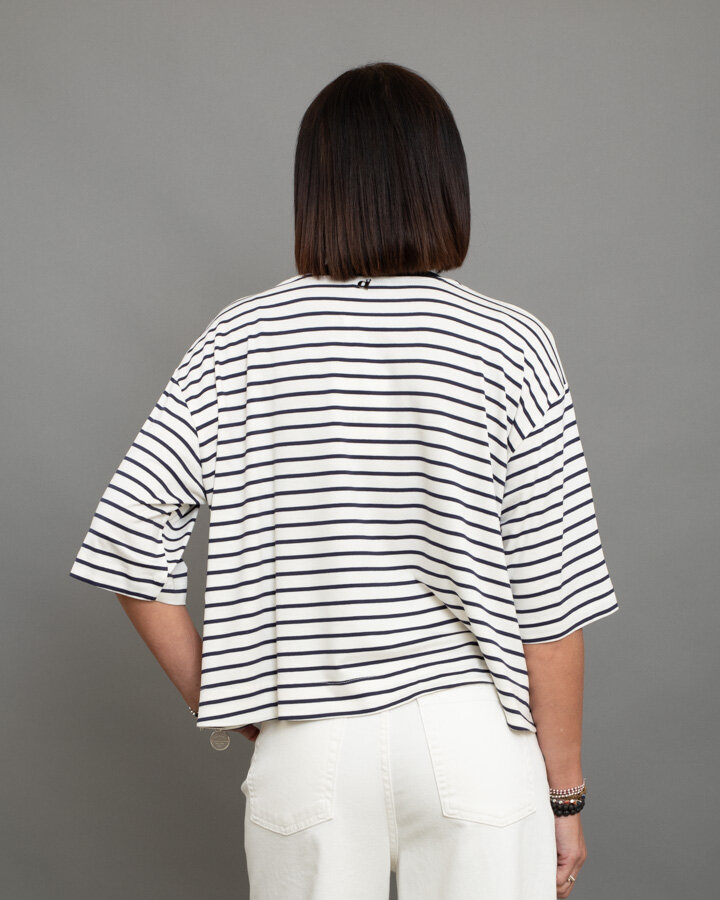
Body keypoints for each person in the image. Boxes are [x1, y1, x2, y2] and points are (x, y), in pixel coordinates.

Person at [69, 61, 620, 899]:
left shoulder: (239, 340)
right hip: (473, 739)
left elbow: (126, 545)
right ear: (444, 184)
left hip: (308, 743)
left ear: (315, 188)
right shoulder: (511, 342)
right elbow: (553, 597)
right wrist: (565, 797)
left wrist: (230, 699)